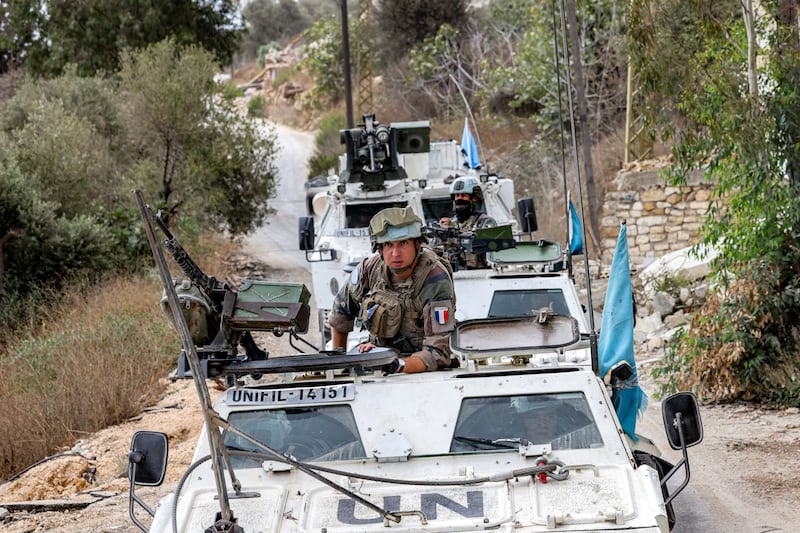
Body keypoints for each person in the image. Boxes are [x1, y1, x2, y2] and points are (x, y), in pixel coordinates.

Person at [328, 207, 457, 374]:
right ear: (379, 248)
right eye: (388, 245)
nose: (395, 253)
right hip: (380, 359)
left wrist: (397, 365)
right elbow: (341, 310)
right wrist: (340, 364)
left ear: (417, 245)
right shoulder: (370, 269)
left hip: (419, 368)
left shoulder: (434, 278)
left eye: (403, 243)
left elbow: (438, 352)